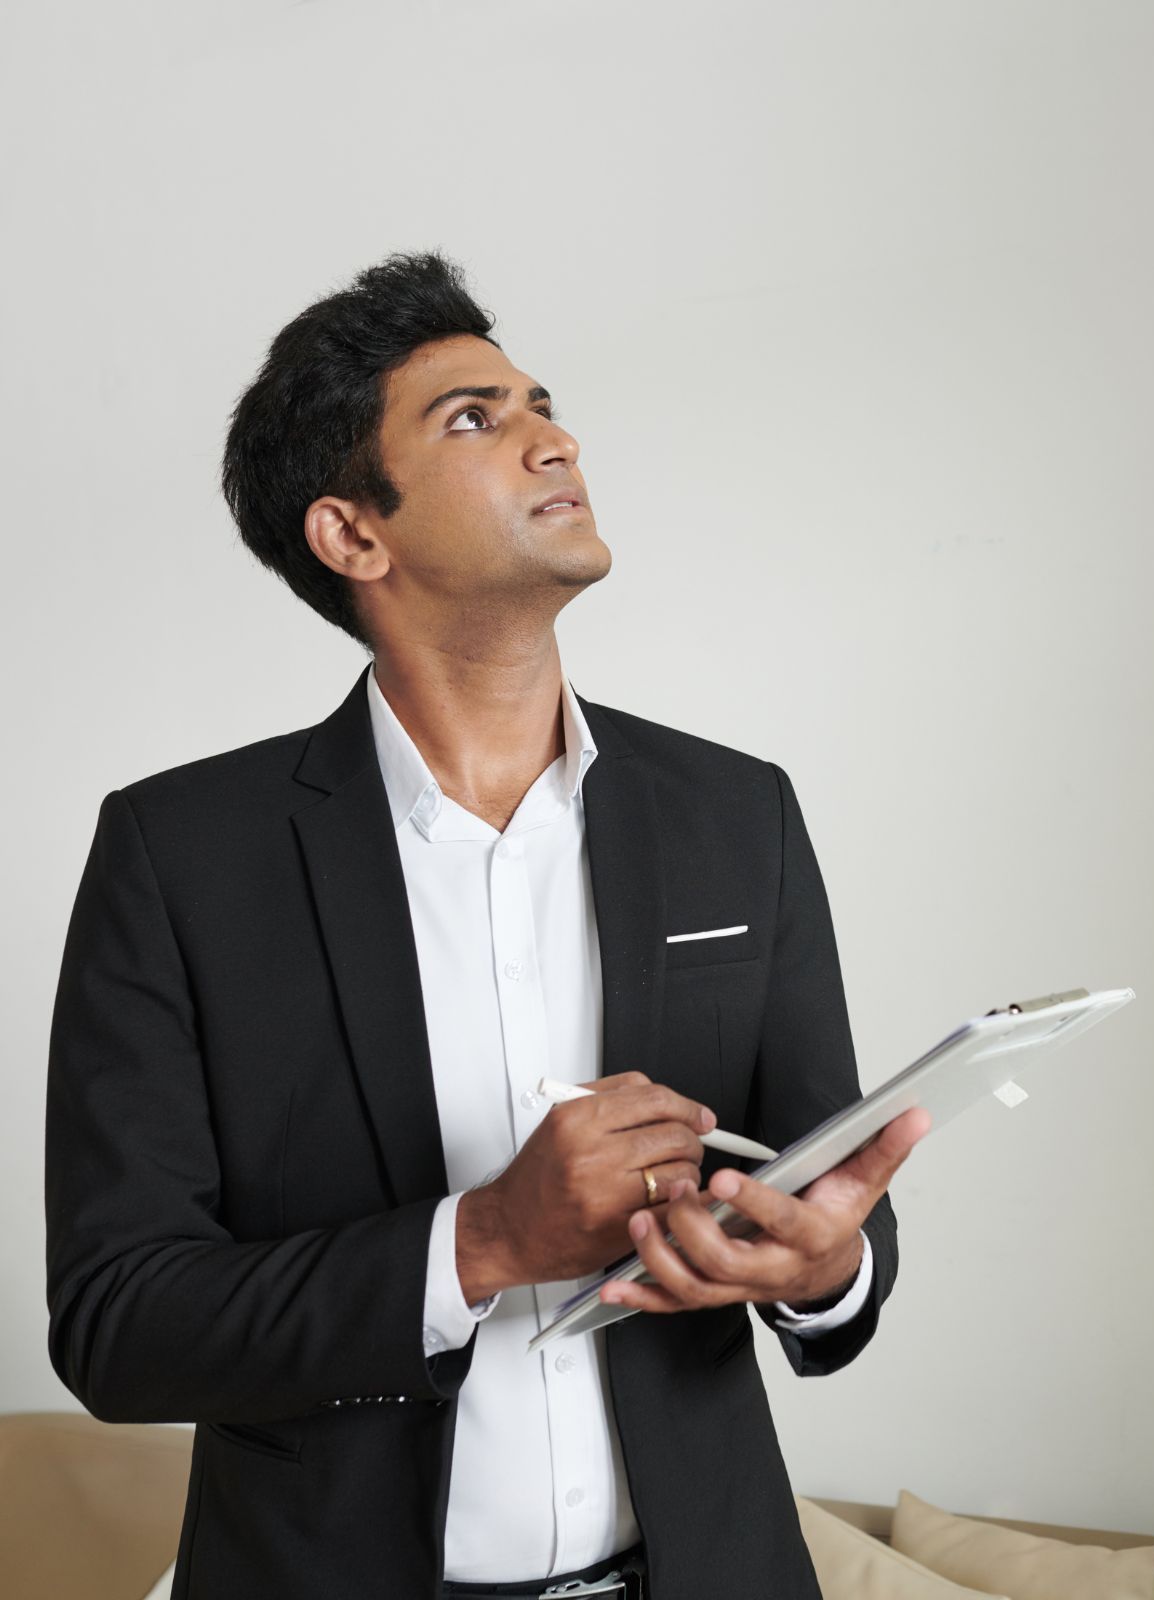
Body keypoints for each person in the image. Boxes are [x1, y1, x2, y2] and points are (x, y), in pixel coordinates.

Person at [44, 250, 928, 1600]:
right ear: (354, 535)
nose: (554, 440)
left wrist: (830, 1269)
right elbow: (118, 1326)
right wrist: (484, 1241)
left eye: (541, 404)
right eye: (475, 418)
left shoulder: (735, 814)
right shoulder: (180, 857)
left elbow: (821, 1197)